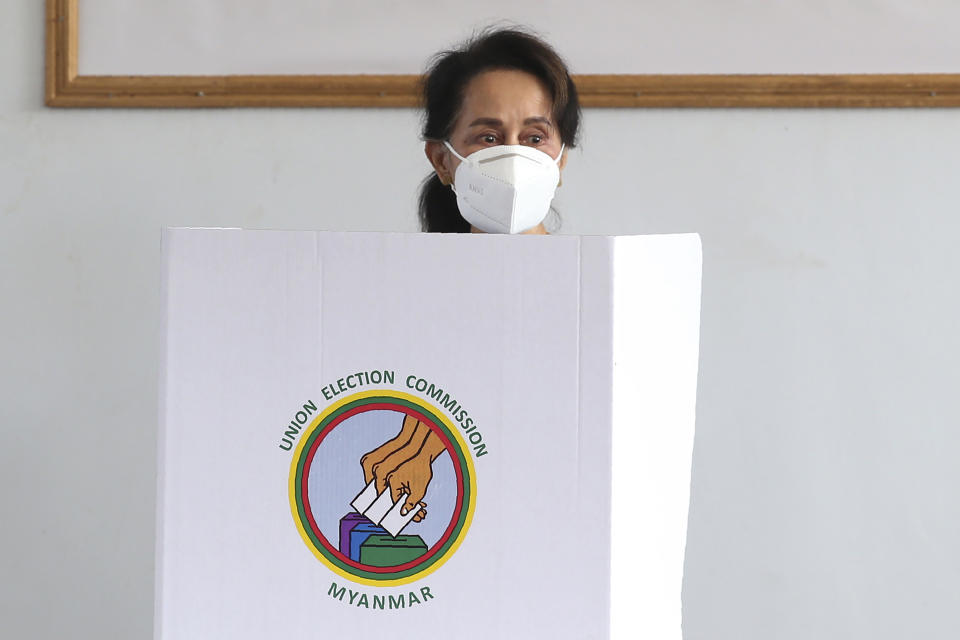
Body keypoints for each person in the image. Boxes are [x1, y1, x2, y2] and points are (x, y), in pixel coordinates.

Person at [419, 28, 582, 234]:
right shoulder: (414, 266)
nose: (512, 158)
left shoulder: (598, 265)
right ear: (441, 160)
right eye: (489, 138)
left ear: (561, 159)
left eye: (534, 138)